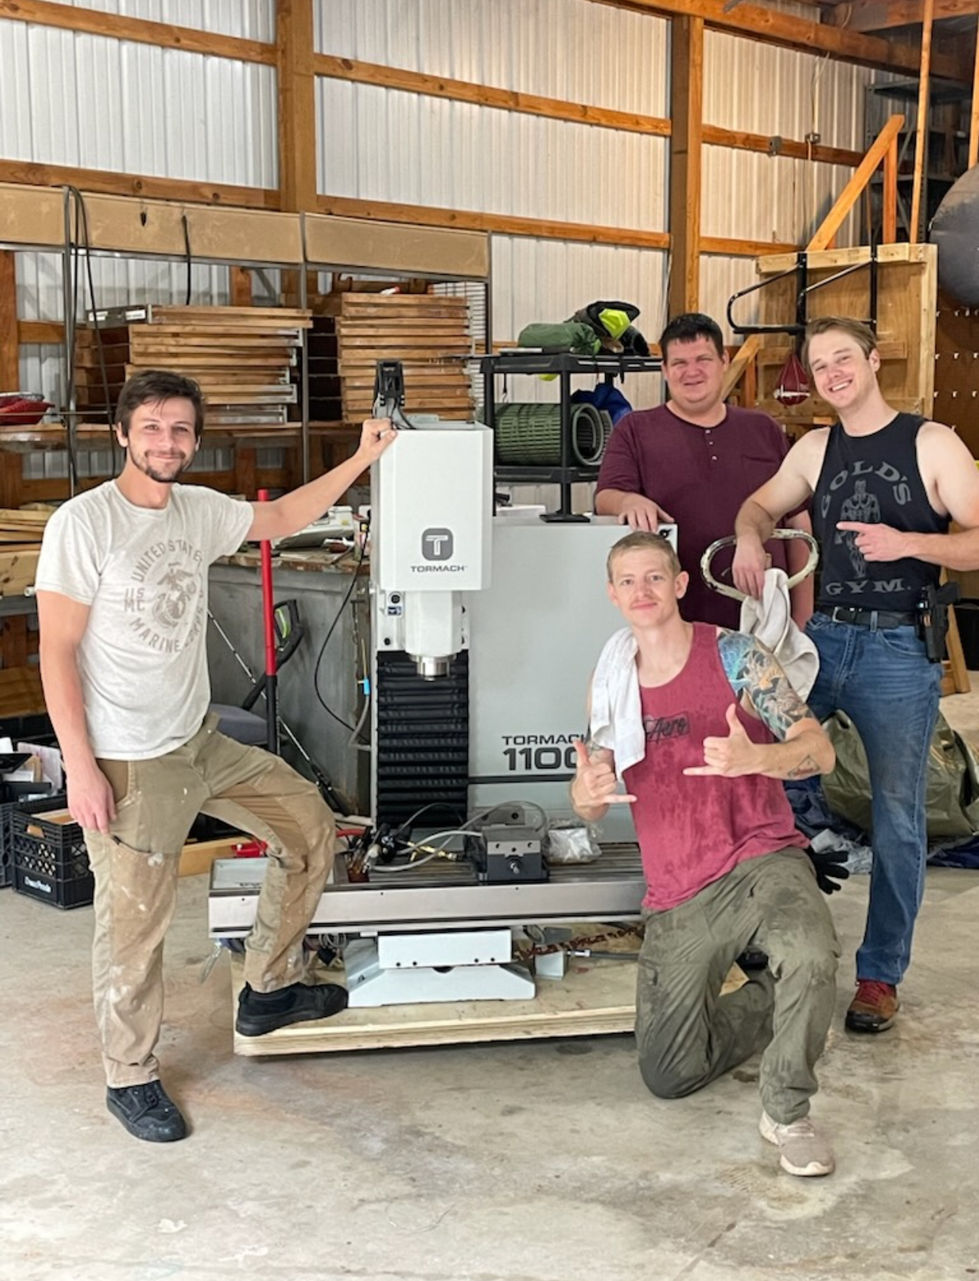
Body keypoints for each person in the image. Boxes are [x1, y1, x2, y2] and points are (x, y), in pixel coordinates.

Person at [35, 369, 396, 1143]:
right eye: (152, 427)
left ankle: (268, 986)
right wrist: (81, 767)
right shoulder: (84, 523)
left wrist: (364, 456)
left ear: (194, 440)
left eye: (180, 429)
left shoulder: (197, 510)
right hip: (129, 758)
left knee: (308, 827)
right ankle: (129, 1075)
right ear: (122, 433)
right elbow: (56, 651)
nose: (166, 441)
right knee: (135, 924)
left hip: (197, 738)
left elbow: (283, 515)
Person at [733, 315, 979, 1034]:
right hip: (822, 640)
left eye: (844, 358)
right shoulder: (815, 448)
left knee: (897, 817)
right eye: (820, 365)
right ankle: (756, 936)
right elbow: (760, 504)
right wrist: (749, 536)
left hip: (898, 647)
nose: (833, 373)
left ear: (873, 361)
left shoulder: (931, 443)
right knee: (754, 775)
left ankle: (878, 975)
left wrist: (909, 543)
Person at [571, 530, 840, 1177]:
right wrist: (586, 794)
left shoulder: (735, 656)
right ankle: (775, 1004)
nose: (642, 591)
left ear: (680, 583)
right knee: (669, 1072)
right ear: (612, 594)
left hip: (761, 859)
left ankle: (788, 1112)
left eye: (654, 577)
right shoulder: (610, 680)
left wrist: (757, 758)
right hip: (678, 888)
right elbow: (590, 801)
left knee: (810, 952)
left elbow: (819, 751)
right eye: (628, 581)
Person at [595, 312, 813, 628]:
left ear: (724, 361)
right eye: (679, 363)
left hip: (765, 622)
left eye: (703, 360)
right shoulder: (634, 430)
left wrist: (803, 618)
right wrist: (628, 501)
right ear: (664, 370)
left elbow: (798, 523)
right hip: (675, 626)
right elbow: (605, 497)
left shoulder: (763, 428)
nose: (692, 372)